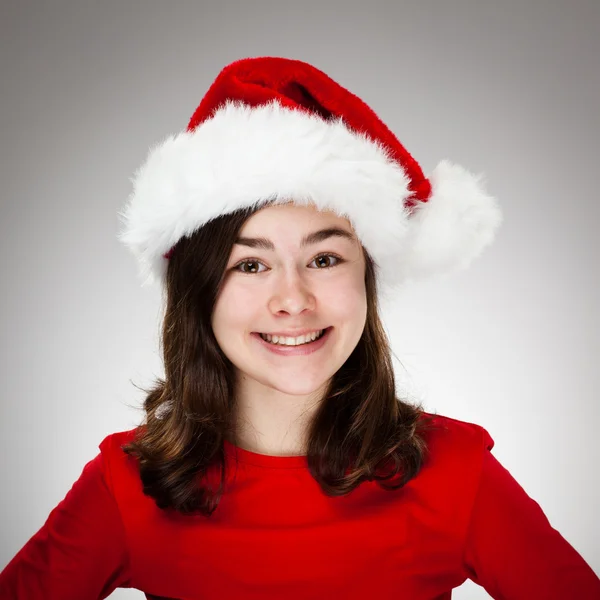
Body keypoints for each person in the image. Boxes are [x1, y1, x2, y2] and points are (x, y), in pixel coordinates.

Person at [1, 56, 598, 600]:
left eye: (325, 258)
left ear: (366, 278)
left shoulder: (455, 475)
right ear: (200, 291)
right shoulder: (127, 487)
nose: (292, 300)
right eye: (251, 264)